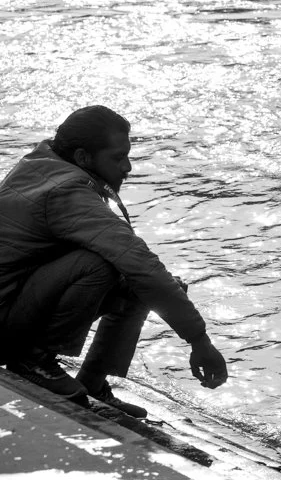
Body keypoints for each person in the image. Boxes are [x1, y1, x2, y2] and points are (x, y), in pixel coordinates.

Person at [0, 105, 229, 414]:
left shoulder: (42, 164)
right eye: (118, 158)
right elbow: (138, 262)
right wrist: (198, 339)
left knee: (143, 282)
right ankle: (34, 360)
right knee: (112, 266)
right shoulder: (67, 191)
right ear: (83, 158)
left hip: (12, 306)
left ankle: (93, 383)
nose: (128, 167)